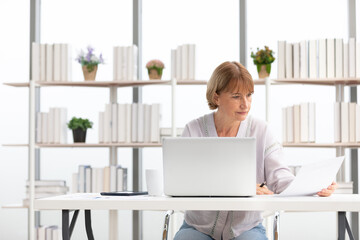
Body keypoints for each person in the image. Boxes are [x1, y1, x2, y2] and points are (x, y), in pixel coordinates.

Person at [173, 61, 337, 240]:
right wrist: (240, 188)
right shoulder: (193, 130)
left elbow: (280, 177)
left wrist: (314, 186)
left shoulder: (261, 130)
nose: (245, 104)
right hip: (198, 228)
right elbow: (185, 183)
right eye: (236, 96)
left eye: (249, 95)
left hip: (246, 229)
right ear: (216, 97)